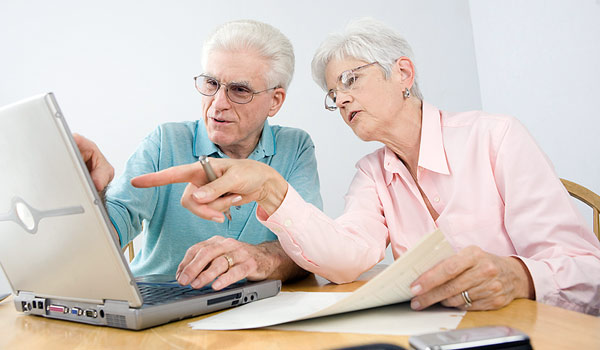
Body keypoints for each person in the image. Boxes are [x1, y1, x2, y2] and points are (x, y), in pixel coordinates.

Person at [131, 18, 600, 315]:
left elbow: (586, 269)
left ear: (403, 73)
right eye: (334, 93)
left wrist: (519, 276)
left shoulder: (496, 136)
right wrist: (272, 189)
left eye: (350, 79)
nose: (342, 98)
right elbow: (345, 260)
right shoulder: (372, 172)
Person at [74, 19, 323, 291]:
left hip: (252, 312)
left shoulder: (295, 147)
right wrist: (90, 191)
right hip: (160, 302)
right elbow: (103, 240)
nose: (218, 103)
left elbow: (310, 245)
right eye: (211, 83)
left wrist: (257, 258)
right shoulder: (165, 141)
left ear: (275, 101)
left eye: (239, 90)